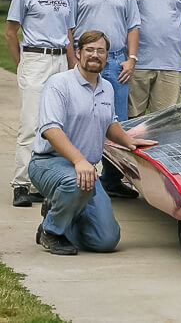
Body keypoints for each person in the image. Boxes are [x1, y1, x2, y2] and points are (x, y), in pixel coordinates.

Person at [29, 30, 157, 255]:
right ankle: (50, 231)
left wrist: (130, 142)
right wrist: (78, 160)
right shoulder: (59, 84)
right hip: (50, 163)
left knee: (106, 241)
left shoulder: (107, 87)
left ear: (107, 56)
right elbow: (51, 129)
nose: (95, 55)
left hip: (85, 168)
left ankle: (62, 215)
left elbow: (110, 124)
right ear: (78, 53)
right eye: (89, 50)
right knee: (76, 183)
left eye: (101, 51)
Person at [5, 0, 76, 207]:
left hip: (60, 61)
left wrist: (71, 67)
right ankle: (20, 184)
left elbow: (69, 36)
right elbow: (11, 32)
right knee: (30, 124)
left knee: (54, 125)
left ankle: (39, 182)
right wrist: (21, 64)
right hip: (35, 59)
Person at [70, 0, 141, 198]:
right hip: (85, 61)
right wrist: (72, 61)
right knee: (82, 116)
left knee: (116, 120)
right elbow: (69, 28)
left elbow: (133, 25)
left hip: (116, 62)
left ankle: (111, 180)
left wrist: (131, 59)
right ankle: (77, 175)